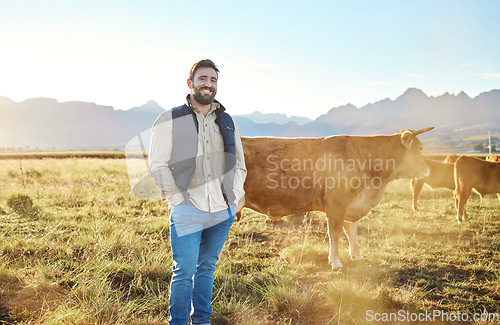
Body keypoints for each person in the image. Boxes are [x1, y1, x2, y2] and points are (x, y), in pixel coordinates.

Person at [148, 59, 247, 325]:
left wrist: (234, 200)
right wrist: (178, 198)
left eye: (213, 80)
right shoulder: (169, 118)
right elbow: (157, 164)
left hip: (221, 210)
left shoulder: (227, 121)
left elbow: (239, 165)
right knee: (184, 271)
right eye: (203, 79)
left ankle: (202, 320)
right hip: (188, 208)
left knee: (206, 269)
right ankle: (178, 322)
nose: (209, 84)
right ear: (190, 83)